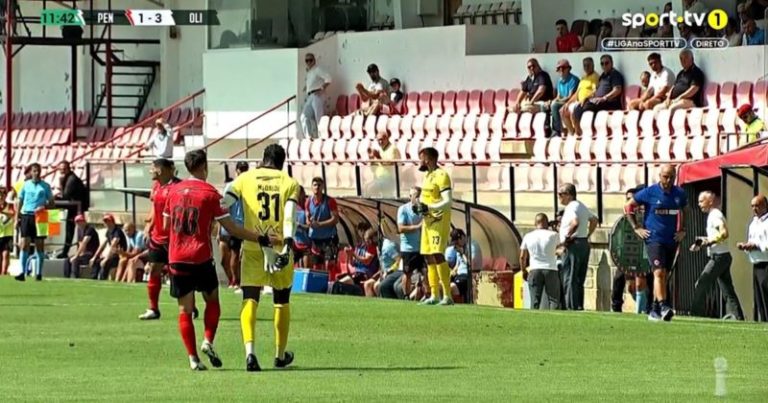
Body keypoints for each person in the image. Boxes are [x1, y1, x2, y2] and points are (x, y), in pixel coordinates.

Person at [165, 149, 264, 371]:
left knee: (185, 311)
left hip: (177, 258)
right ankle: (207, 340)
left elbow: (165, 226)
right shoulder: (210, 193)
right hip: (200, 256)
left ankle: (192, 359)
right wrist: (260, 237)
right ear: (204, 167)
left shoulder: (173, 192)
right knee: (212, 302)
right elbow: (231, 228)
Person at [224, 144, 300, 372]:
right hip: (278, 247)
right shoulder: (289, 183)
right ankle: (279, 355)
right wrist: (287, 244)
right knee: (281, 300)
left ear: (263, 159)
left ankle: (250, 353)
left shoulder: (245, 178)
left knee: (250, 298)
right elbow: (290, 216)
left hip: (253, 244)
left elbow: (224, 201)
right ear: (282, 162)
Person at [625, 164, 687, 321]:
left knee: (664, 274)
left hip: (671, 239)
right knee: (658, 272)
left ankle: (654, 309)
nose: (669, 180)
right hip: (654, 239)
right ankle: (664, 305)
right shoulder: (649, 192)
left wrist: (682, 230)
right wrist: (636, 227)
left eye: (672, 177)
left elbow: (685, 210)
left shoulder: (679, 194)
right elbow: (628, 206)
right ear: (660, 176)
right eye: (666, 176)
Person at [139, 158, 181, 320]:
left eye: (153, 168)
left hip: (174, 238)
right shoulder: (156, 187)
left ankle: (189, 307)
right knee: (154, 270)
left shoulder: (178, 187)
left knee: (177, 273)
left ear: (161, 170)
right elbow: (154, 208)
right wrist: (148, 226)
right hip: (157, 237)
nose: (151, 171)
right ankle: (153, 309)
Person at [690, 191, 743, 320]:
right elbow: (718, 236)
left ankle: (696, 314)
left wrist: (709, 242)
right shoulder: (713, 215)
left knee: (701, 283)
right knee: (727, 290)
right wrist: (702, 242)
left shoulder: (715, 215)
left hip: (719, 257)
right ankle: (738, 317)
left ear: (710, 201)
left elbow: (724, 233)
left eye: (701, 201)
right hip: (723, 256)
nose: (699, 204)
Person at [415, 147, 454, 305]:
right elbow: (426, 199)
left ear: (429, 159)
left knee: (438, 255)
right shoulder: (427, 176)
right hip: (427, 221)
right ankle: (434, 295)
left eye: (422, 157)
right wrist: (418, 206)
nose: (420, 161)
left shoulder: (442, 175)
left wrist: (430, 208)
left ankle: (447, 295)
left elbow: (447, 201)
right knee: (428, 256)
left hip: (439, 220)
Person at [610, 186, 653, 314]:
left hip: (646, 251)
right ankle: (616, 306)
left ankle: (651, 307)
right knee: (619, 277)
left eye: (632, 199)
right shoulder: (625, 217)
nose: (629, 202)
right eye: (627, 199)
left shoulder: (648, 216)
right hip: (627, 253)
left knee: (650, 277)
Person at [557, 183, 598, 310]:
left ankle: (571, 306)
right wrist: (587, 234)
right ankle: (579, 305)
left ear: (568, 195)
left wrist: (567, 238)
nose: (559, 197)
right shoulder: (581, 206)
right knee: (579, 277)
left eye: (561, 194)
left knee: (570, 277)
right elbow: (594, 219)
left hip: (573, 244)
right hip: (583, 242)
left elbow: (575, 222)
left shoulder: (571, 207)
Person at [16, 163, 54, 281]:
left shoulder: (45, 186)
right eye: (34, 171)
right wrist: (17, 216)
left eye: (37, 171)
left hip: (40, 216)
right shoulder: (25, 185)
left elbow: (52, 203)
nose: (36, 173)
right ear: (30, 172)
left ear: (40, 172)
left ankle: (38, 273)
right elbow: (20, 201)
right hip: (27, 215)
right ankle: (22, 272)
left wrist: (44, 206)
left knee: (39, 245)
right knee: (24, 243)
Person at [520, 213, 561, 310]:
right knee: (554, 300)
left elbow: (522, 256)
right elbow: (561, 246)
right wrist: (554, 228)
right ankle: (553, 320)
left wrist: (523, 270)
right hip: (551, 269)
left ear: (535, 223)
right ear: (547, 223)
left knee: (534, 300)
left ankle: (533, 321)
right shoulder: (554, 235)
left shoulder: (528, 236)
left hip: (534, 269)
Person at [220, 161, 249, 291]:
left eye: (244, 169)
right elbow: (223, 205)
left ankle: (236, 281)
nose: (242, 171)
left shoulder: (249, 186)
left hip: (241, 225)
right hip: (230, 225)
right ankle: (233, 280)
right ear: (237, 171)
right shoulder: (231, 186)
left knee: (236, 255)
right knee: (227, 257)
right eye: (241, 169)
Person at [572, 54, 624, 128]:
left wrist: (604, 98)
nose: (604, 65)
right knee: (578, 107)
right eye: (602, 64)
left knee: (587, 107)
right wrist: (586, 98)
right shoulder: (603, 75)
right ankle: (579, 131)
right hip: (599, 101)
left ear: (612, 63)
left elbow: (617, 90)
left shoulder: (615, 74)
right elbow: (596, 90)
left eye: (606, 63)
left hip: (610, 102)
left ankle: (590, 129)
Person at [739, 194, 768, 321]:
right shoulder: (753, 223)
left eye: (757, 205)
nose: (754, 209)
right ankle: (763, 323)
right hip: (756, 262)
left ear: (765, 206)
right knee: (759, 296)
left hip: (766, 262)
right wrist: (745, 247)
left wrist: (755, 246)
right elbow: (751, 240)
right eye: (752, 206)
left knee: (766, 295)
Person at [306, 177, 339, 272]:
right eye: (315, 185)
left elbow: (335, 219)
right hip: (315, 240)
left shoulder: (330, 201)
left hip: (329, 239)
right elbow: (307, 218)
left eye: (319, 185)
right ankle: (318, 285)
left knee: (329, 265)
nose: (317, 187)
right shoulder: (308, 201)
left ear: (323, 187)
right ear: (311, 187)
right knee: (316, 266)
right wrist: (310, 222)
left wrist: (320, 224)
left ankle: (330, 285)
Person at [55, 161, 87, 258]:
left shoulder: (71, 179)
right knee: (70, 230)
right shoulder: (68, 178)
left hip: (78, 208)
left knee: (75, 231)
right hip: (74, 207)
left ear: (69, 168)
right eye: (61, 169)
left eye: (64, 169)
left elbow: (65, 196)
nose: (62, 171)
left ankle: (71, 252)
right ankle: (66, 251)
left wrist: (60, 187)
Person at [397, 187, 425, 300]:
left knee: (425, 272)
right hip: (408, 248)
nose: (418, 198)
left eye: (419, 196)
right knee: (407, 273)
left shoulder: (423, 209)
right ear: (410, 197)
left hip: (422, 247)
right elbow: (400, 228)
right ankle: (406, 295)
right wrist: (417, 227)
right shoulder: (403, 209)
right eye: (416, 196)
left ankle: (427, 295)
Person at [562, 57, 599, 136]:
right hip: (578, 101)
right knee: (562, 110)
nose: (586, 67)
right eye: (584, 65)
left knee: (574, 110)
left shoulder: (595, 77)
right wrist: (567, 103)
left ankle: (578, 133)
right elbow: (576, 93)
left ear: (593, 65)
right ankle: (572, 133)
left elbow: (595, 92)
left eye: (588, 65)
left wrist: (586, 98)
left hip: (586, 102)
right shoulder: (583, 78)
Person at [445, 228, 481, 303]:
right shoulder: (460, 247)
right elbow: (458, 263)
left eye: (457, 242)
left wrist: (462, 253)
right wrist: (453, 271)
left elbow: (472, 265)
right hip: (459, 274)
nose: (456, 245)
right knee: (443, 283)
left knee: (452, 287)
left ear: (462, 237)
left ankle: (458, 305)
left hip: (468, 275)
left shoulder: (472, 246)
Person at [301, 52, 332, 139]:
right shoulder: (309, 72)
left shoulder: (317, 69)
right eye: (307, 61)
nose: (309, 62)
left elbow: (328, 78)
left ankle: (323, 137)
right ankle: (308, 137)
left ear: (314, 60)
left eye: (310, 60)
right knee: (304, 116)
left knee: (319, 117)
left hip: (317, 95)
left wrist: (322, 89)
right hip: (310, 95)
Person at [90, 214, 127, 281]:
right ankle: (94, 279)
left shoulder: (117, 231)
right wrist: (94, 257)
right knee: (96, 261)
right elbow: (103, 245)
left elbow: (113, 245)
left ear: (112, 221)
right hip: (113, 254)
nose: (107, 223)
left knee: (106, 263)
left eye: (108, 221)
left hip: (120, 255)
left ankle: (102, 280)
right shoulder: (108, 232)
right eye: (105, 221)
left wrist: (106, 259)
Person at [64, 214, 100, 279]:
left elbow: (84, 243)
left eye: (80, 221)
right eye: (77, 222)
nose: (79, 223)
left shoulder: (90, 229)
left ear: (84, 221)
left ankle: (74, 277)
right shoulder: (79, 230)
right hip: (84, 254)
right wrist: (79, 254)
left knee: (75, 260)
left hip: (91, 253)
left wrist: (76, 256)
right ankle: (66, 277)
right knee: (67, 260)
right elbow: (80, 243)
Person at [367, 130, 401, 197]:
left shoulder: (393, 149)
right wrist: (371, 159)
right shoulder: (380, 150)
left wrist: (378, 157)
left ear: (387, 139)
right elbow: (373, 169)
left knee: (371, 188)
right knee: (365, 187)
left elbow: (390, 165)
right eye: (378, 140)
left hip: (389, 179)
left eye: (382, 139)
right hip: (379, 179)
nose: (380, 142)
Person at [550, 59, 579, 136]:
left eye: (563, 68)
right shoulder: (559, 80)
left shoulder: (573, 79)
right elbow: (558, 96)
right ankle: (557, 130)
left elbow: (570, 96)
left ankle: (559, 130)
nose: (561, 70)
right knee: (550, 105)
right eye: (559, 68)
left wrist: (556, 101)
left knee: (554, 105)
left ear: (569, 68)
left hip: (571, 101)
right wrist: (553, 100)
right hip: (562, 101)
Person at [293, 186, 311, 268]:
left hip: (306, 244)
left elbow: (310, 226)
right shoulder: (291, 207)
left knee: (306, 269)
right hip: (294, 243)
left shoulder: (307, 207)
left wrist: (299, 225)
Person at [0, 188, 13, 276]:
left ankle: (4, 273)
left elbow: (12, 214)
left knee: (6, 254)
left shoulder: (9, 205)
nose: (1, 196)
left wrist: (2, 212)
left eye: (3, 194)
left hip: (7, 234)